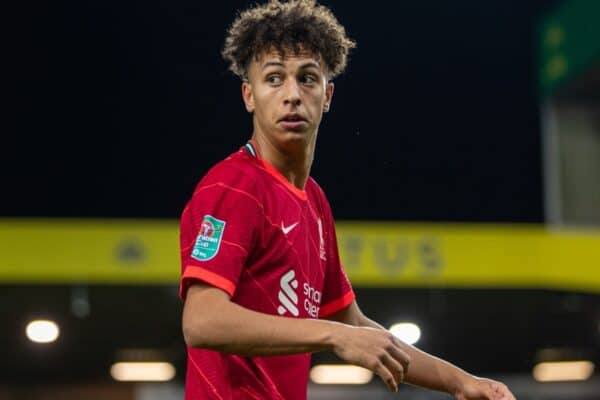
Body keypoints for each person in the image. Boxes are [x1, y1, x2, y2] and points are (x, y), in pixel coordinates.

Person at [179, 1, 516, 399]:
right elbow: (202, 322)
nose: (292, 95)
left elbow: (352, 323)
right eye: (274, 79)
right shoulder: (233, 186)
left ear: (328, 95)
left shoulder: (315, 204)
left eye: (307, 78)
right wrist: (334, 335)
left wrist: (461, 382)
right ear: (249, 96)